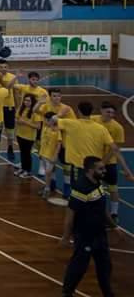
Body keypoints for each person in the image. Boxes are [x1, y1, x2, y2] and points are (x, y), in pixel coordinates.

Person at [60, 156, 115, 297]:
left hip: (100, 234)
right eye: (100, 168)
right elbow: (70, 214)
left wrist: (114, 227)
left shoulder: (98, 183)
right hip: (85, 235)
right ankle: (67, 292)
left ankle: (108, 293)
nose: (104, 171)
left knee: (105, 266)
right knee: (79, 266)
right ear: (90, 170)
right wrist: (66, 237)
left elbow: (102, 208)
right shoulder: (81, 188)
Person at [91, 102, 133, 226]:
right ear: (101, 111)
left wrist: (103, 162)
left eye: (113, 113)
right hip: (93, 160)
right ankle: (96, 212)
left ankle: (114, 214)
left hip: (109, 163)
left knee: (113, 189)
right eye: (108, 112)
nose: (110, 115)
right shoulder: (93, 120)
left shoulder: (118, 128)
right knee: (94, 188)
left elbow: (115, 149)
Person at [38, 111, 65, 201]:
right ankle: (49, 186)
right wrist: (40, 153)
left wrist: (55, 156)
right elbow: (43, 141)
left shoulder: (57, 131)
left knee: (48, 173)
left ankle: (47, 189)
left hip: (51, 155)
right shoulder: (45, 128)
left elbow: (59, 144)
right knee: (48, 172)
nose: (45, 121)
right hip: (44, 154)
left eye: (46, 120)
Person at [13, 92, 40, 178]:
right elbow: (16, 119)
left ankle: (28, 171)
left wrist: (25, 123)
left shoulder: (35, 113)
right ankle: (23, 168)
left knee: (27, 154)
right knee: (22, 153)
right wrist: (18, 121)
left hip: (29, 137)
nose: (26, 102)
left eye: (28, 101)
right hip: (20, 134)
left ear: (33, 102)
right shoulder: (21, 109)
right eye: (25, 100)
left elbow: (38, 126)